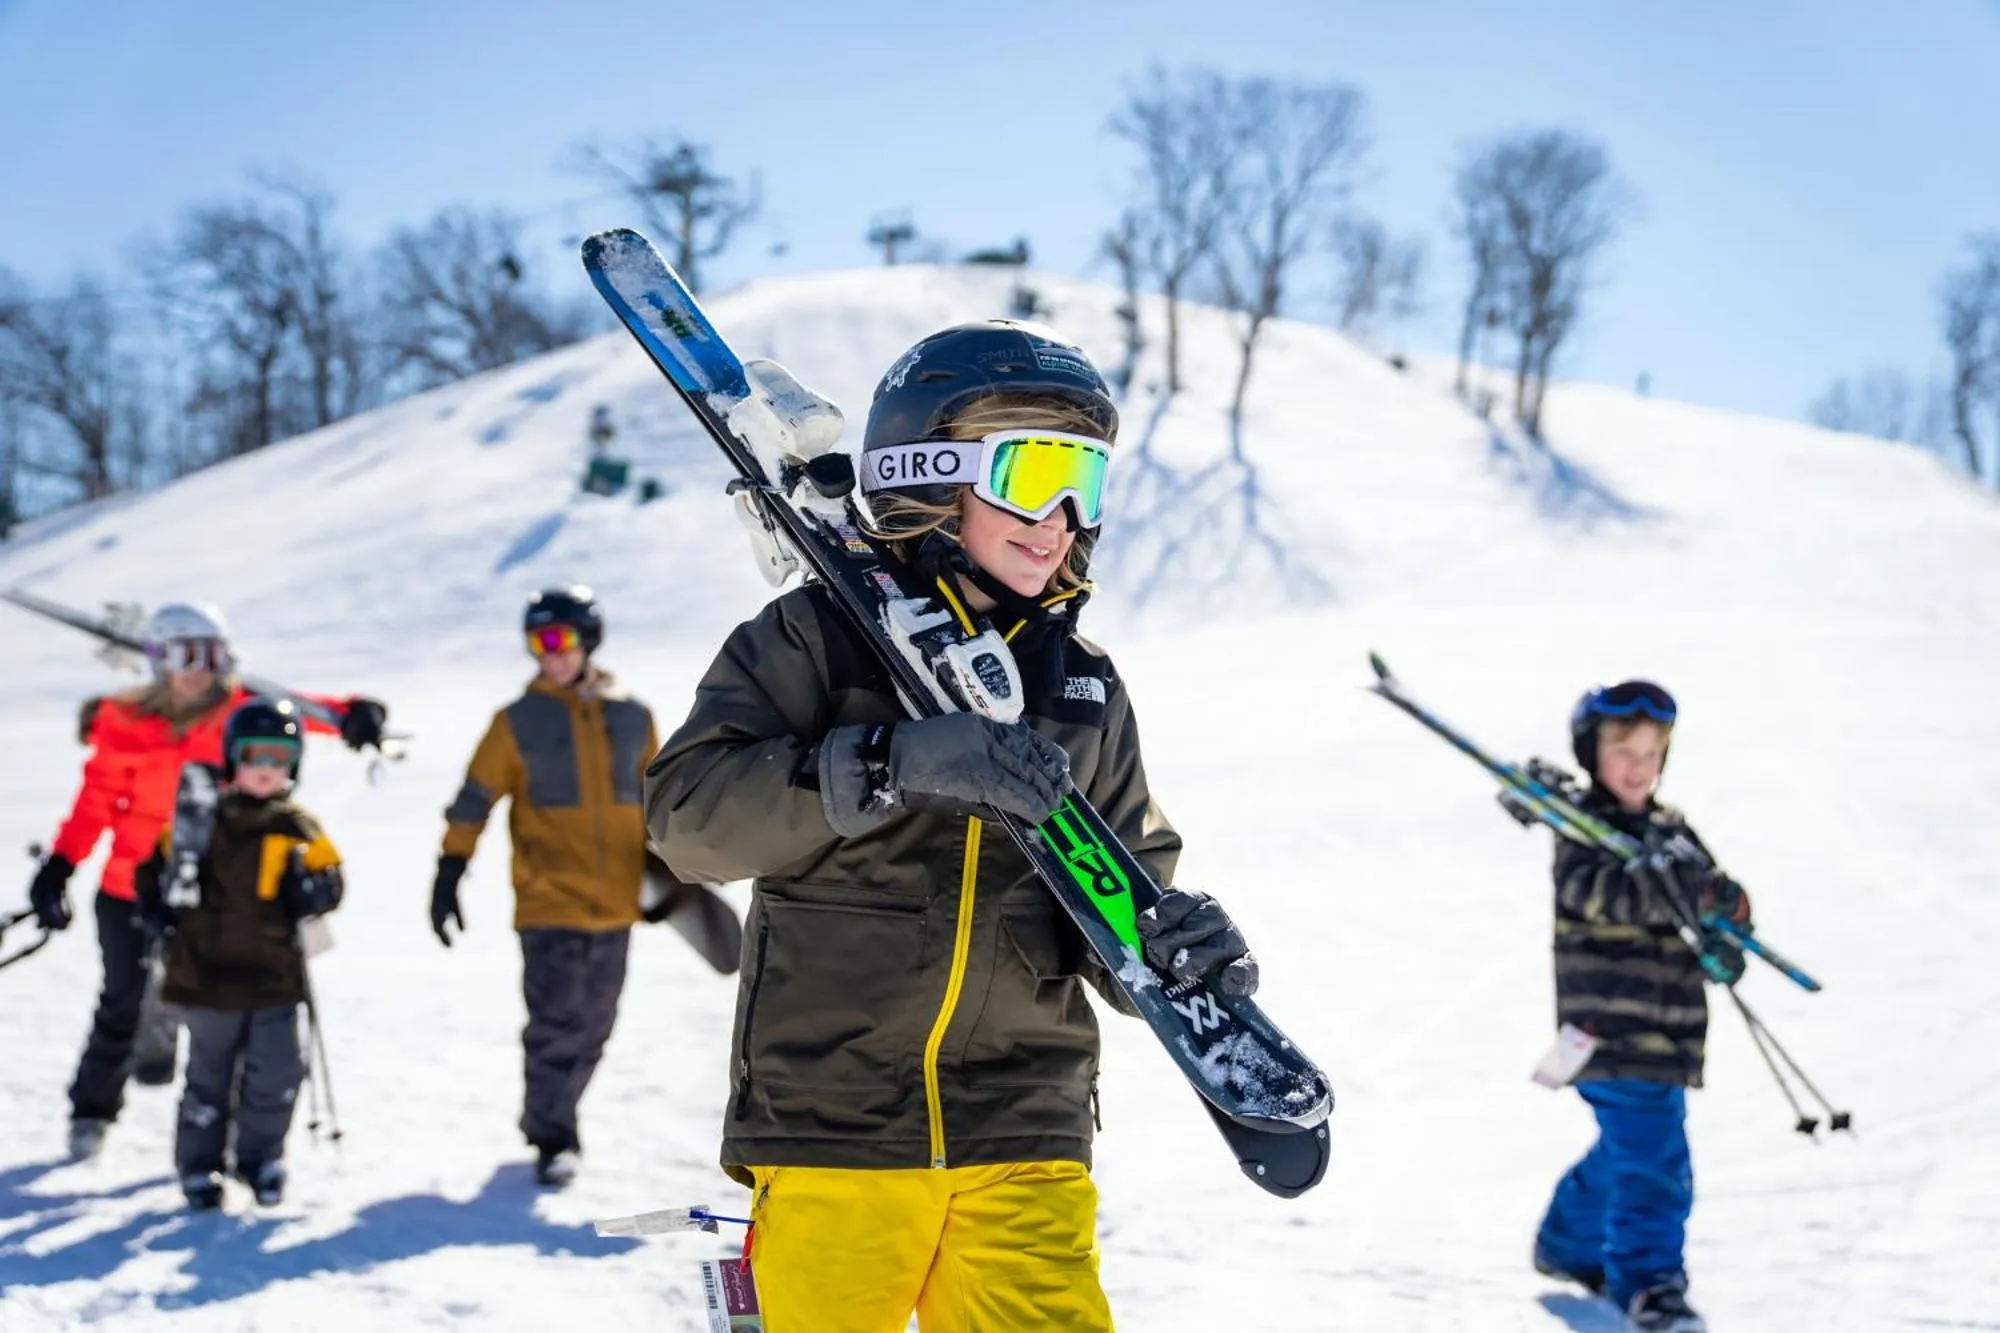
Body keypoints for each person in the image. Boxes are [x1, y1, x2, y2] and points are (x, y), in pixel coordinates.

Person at [644, 321, 1260, 1333]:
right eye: (1033, 473)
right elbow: (686, 821)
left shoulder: (1081, 687)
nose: (1059, 516)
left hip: (1027, 1123)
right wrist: (890, 763)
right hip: (833, 1126)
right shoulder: (812, 642)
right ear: (928, 474)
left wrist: (1169, 948)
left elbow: (1120, 878)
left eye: (1086, 483)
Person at [26, 602, 388, 1161]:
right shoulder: (124, 724)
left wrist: (353, 715)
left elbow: (296, 717)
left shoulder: (237, 712)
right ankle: (93, 1110)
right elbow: (94, 804)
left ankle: (228, 1127)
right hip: (129, 886)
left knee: (223, 1006)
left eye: (210, 655)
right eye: (182, 655)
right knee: (121, 998)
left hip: (212, 892)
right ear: (157, 660)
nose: (197, 669)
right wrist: (60, 867)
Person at [1532, 681, 1751, 1333]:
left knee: (1629, 1150)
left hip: (1668, 1034)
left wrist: (1726, 927)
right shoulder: (1584, 834)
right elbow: (1605, 894)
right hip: (1607, 1031)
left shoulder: (1673, 835)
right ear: (1590, 754)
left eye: (1653, 751)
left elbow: (1706, 900)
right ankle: (1647, 1283)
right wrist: (1677, 884)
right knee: (1655, 1159)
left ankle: (1566, 1242)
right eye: (1623, 748)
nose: (1638, 764)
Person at [430, 586, 660, 1188]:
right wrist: (450, 868)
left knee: (597, 1025)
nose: (548, 654)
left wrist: (676, 873)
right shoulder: (516, 722)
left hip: (617, 903)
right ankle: (554, 1136)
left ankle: (548, 1113)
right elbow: (475, 796)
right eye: (537, 642)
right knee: (556, 1023)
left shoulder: (632, 714)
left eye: (559, 639)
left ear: (589, 639)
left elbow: (660, 803)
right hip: (547, 901)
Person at [135, 697, 343, 1210]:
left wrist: (314, 890)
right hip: (208, 978)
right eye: (256, 756)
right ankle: (200, 1165)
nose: (267, 770)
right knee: (209, 1078)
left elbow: (333, 880)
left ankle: (261, 1158)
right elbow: (154, 872)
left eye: (279, 758)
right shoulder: (202, 821)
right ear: (233, 759)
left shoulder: (298, 825)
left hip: (274, 979)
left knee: (275, 1074)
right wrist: (158, 906)